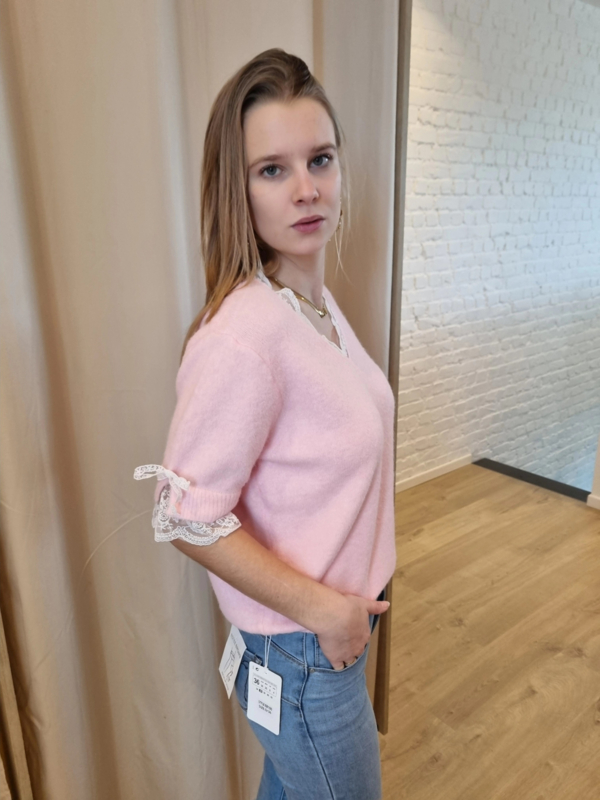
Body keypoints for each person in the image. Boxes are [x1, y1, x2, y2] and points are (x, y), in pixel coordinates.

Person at [134, 48, 396, 800]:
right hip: (305, 652)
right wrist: (328, 614)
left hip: (326, 637)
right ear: (237, 186)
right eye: (272, 169)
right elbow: (183, 516)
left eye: (321, 159)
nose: (307, 189)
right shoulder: (245, 336)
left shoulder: (309, 301)